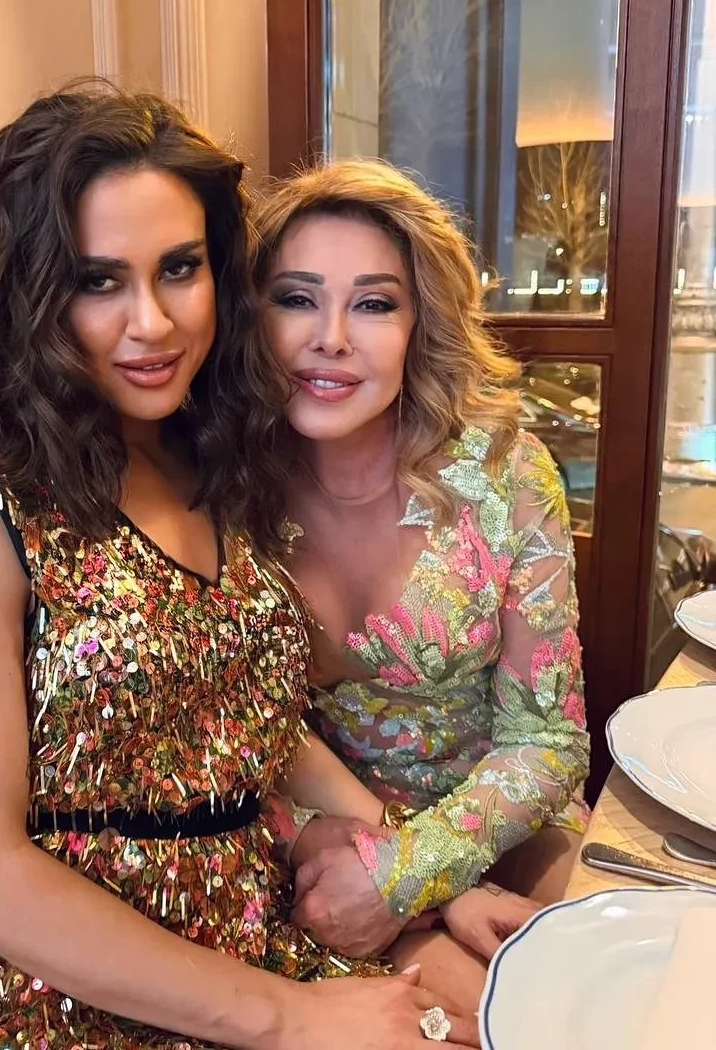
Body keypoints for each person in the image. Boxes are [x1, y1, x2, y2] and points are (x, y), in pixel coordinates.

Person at [0, 86, 482, 1049]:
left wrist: (422, 874)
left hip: (253, 926)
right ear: (31, 295)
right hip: (53, 989)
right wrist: (289, 1019)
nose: (152, 323)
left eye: (179, 269)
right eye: (98, 281)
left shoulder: (217, 448)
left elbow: (250, 721)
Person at [254, 160, 590, 1009]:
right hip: (315, 842)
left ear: (419, 324)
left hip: (504, 827)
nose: (332, 337)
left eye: (373, 304)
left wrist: (413, 872)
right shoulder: (221, 490)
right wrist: (378, 871)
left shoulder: (508, 474)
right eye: (296, 298)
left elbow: (549, 741)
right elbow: (240, 730)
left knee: (571, 1006)